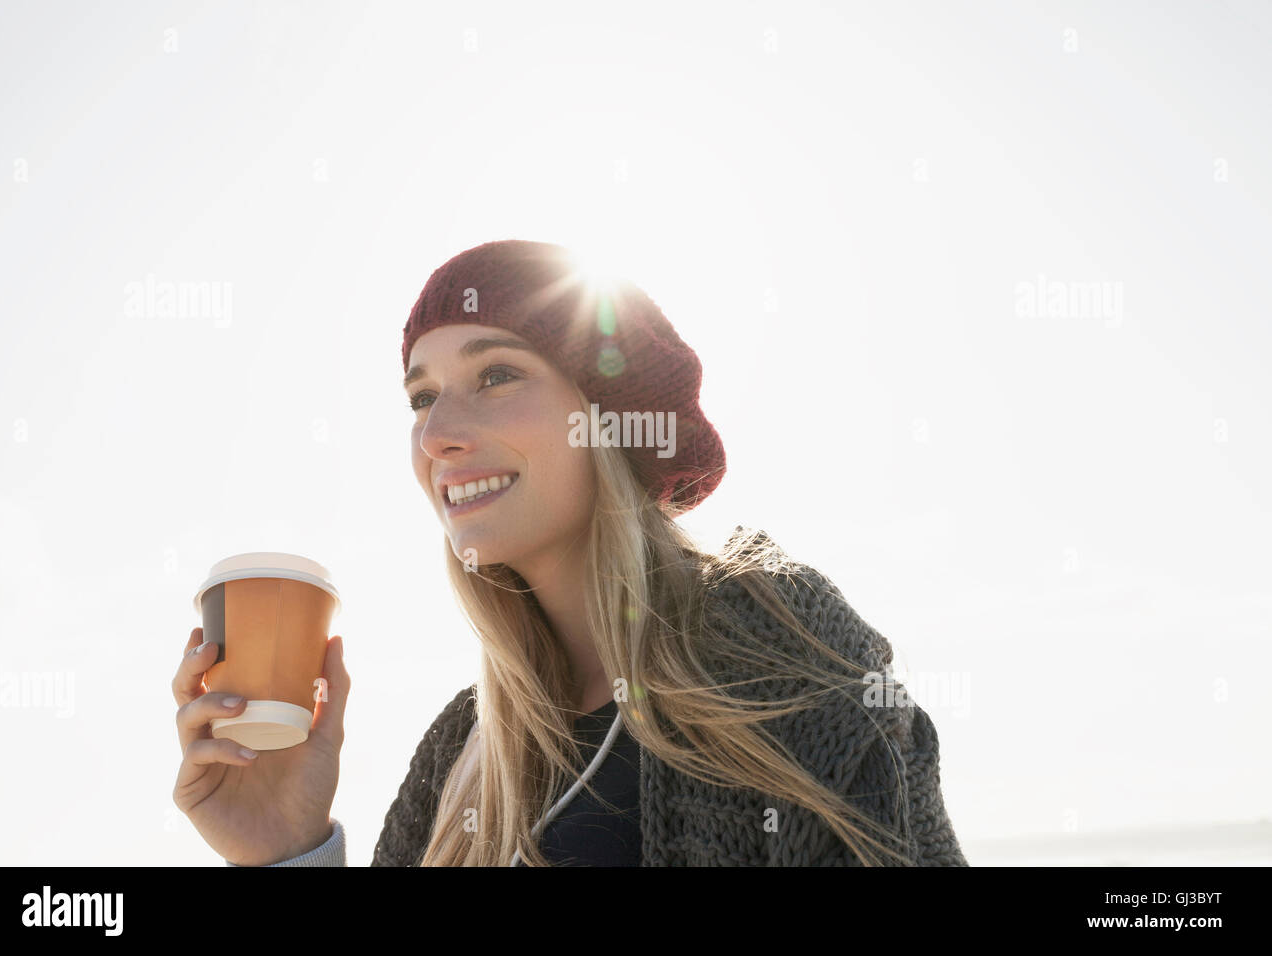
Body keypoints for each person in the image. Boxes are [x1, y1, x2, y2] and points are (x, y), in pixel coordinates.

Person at [171, 239, 969, 867]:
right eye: (420, 396)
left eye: (495, 375)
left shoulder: (778, 645)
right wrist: (284, 850)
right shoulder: (460, 749)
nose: (437, 432)